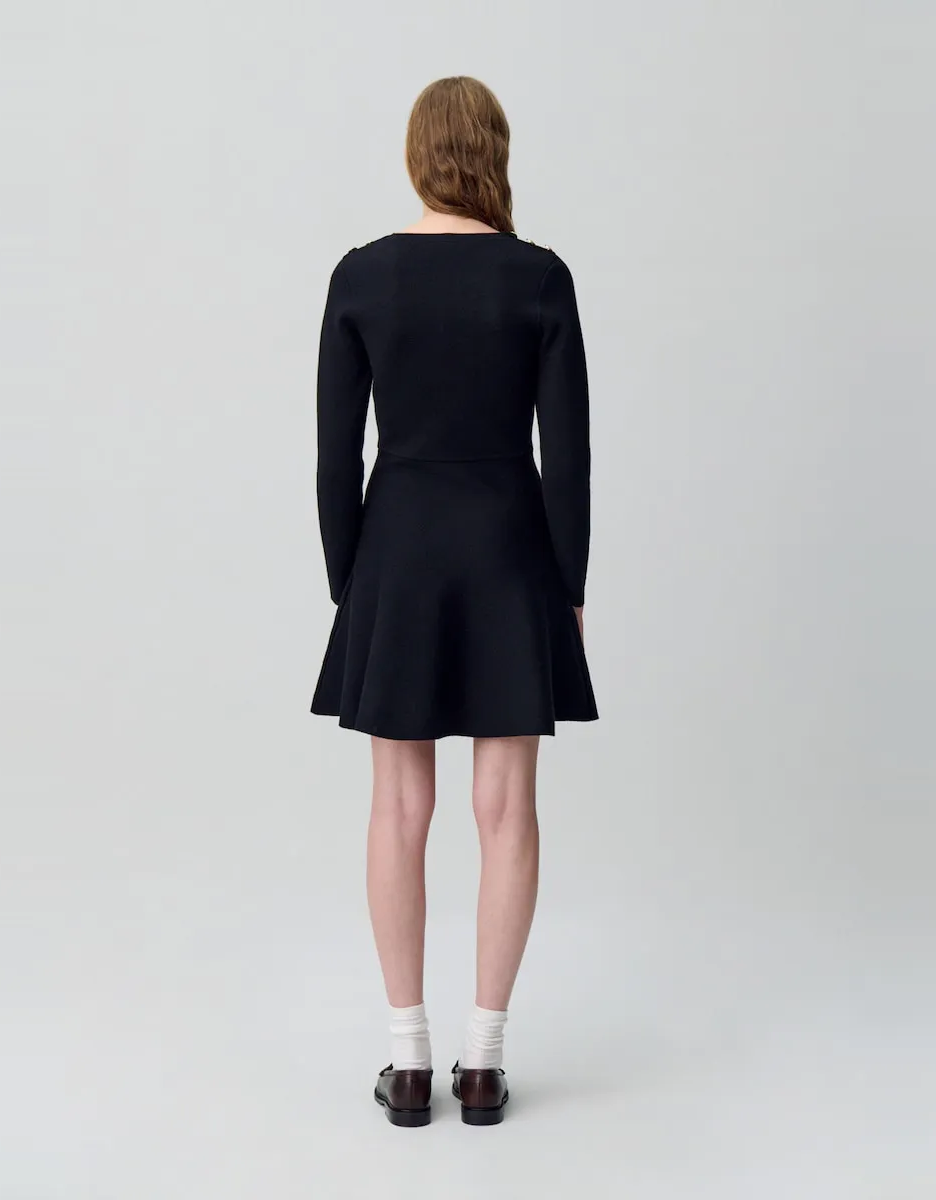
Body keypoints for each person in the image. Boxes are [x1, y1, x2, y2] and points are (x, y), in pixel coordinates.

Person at [310, 75, 598, 1126]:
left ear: (416, 155)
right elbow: (568, 456)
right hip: (510, 550)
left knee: (398, 806)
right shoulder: (539, 277)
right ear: (495, 153)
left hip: (397, 552)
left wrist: (351, 584)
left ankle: (408, 1061)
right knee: (506, 807)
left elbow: (334, 461)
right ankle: (483, 1062)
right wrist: (568, 584)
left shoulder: (361, 276)